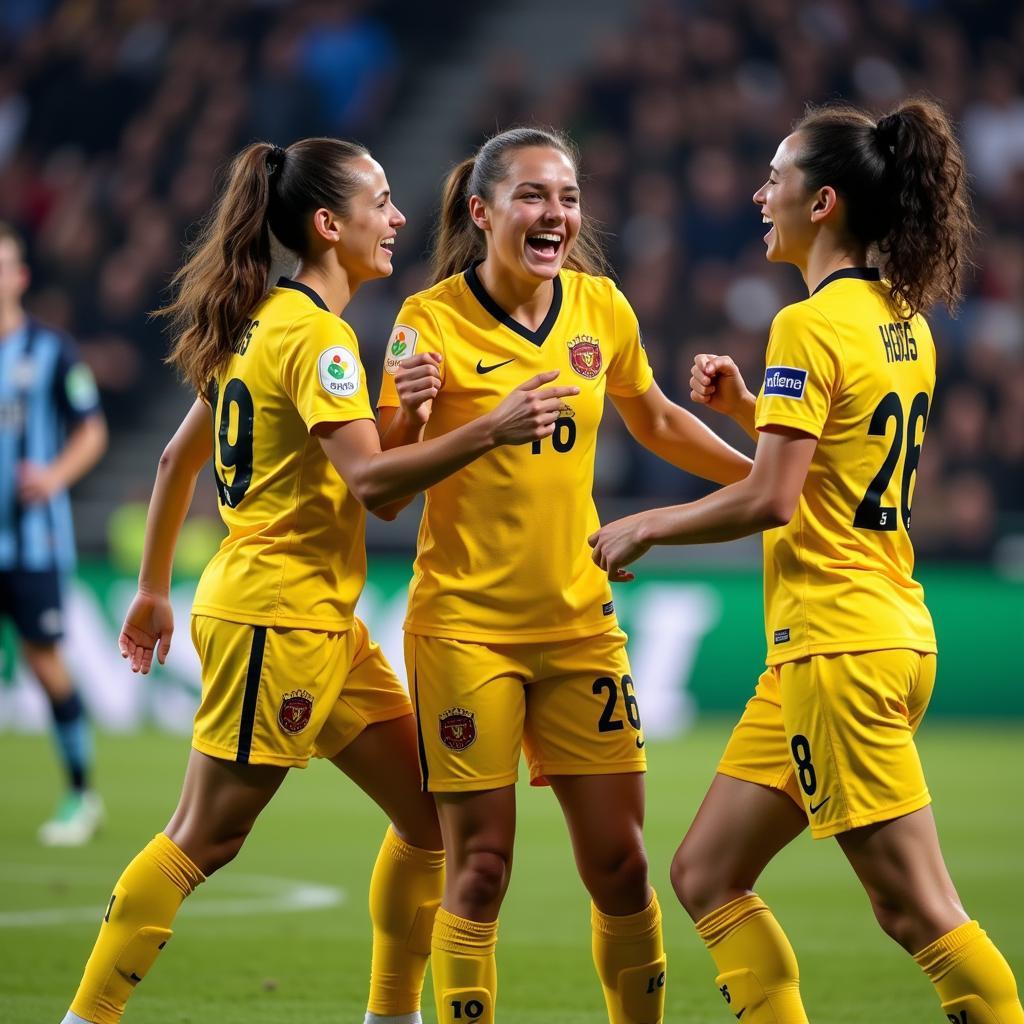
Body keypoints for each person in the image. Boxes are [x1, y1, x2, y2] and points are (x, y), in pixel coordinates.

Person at [60, 137, 579, 1024]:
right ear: (330, 225)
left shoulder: (263, 322)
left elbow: (176, 462)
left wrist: (152, 589)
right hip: (277, 616)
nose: (400, 218)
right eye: (382, 201)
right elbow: (374, 486)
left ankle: (389, 1015)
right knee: (204, 837)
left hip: (319, 623)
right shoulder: (321, 341)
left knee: (430, 822)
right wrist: (489, 427)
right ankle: (87, 1017)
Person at [589, 99, 1024, 1023]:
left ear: (821, 202)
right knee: (706, 873)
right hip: (853, 639)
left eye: (776, 178)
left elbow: (774, 499)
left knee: (917, 912)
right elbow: (841, 465)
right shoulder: (903, 321)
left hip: (841, 648)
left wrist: (647, 525)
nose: (759, 193)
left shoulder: (809, 324)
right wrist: (754, 411)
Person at [377, 126, 752, 1024]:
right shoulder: (425, 322)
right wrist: (421, 418)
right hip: (466, 627)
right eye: (534, 196)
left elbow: (655, 420)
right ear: (483, 211)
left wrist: (760, 479)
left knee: (621, 864)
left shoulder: (600, 308)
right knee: (480, 867)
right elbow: (382, 479)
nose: (557, 215)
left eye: (569, 197)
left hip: (581, 621)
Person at [0, 221, 108, 846]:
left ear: (20, 277)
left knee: (44, 662)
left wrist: (51, 476)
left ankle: (80, 794)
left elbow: (91, 430)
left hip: (32, 544)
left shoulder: (51, 351)